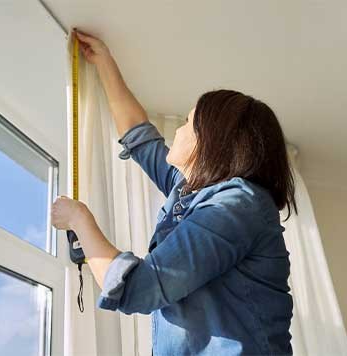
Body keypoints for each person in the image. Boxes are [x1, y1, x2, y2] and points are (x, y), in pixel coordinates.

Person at [51, 28, 296, 356]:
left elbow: (139, 289)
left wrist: (79, 219)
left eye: (187, 121)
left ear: (212, 142)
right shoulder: (193, 195)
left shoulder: (237, 206)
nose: (179, 129)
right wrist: (105, 64)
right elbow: (141, 138)